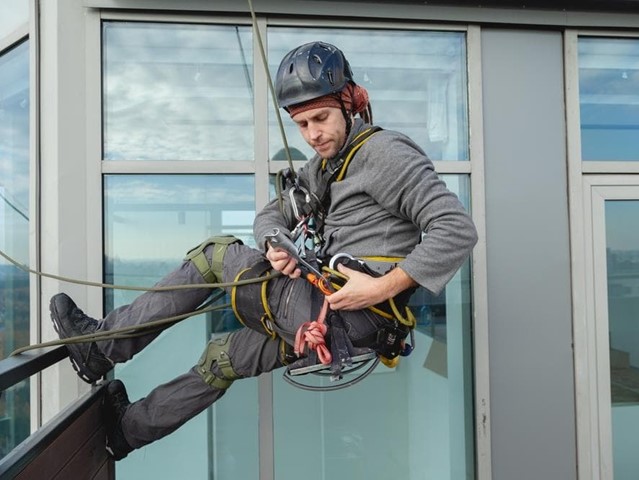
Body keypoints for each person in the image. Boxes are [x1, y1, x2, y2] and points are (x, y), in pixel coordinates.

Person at [50, 41, 478, 460]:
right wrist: (275, 243)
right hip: (343, 328)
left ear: (351, 101)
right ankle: (127, 432)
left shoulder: (384, 154)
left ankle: (101, 348)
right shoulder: (327, 166)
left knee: (213, 255)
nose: (313, 134)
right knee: (223, 359)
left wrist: (381, 288)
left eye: (322, 118)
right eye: (302, 125)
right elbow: (274, 213)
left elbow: (455, 229)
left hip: (339, 312)